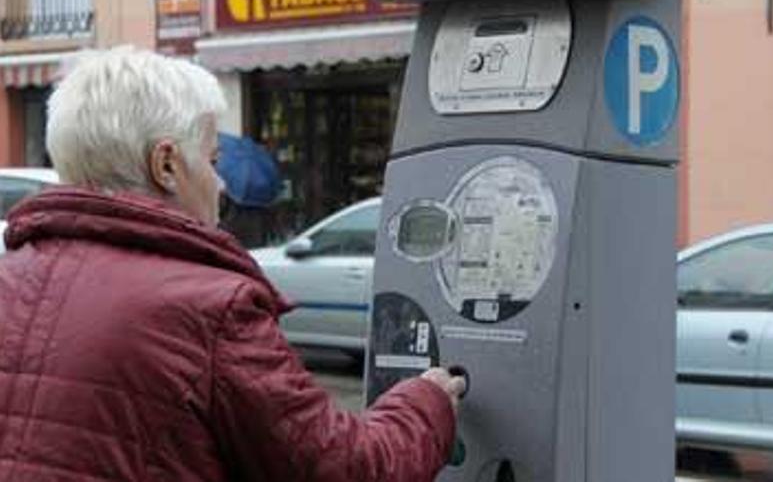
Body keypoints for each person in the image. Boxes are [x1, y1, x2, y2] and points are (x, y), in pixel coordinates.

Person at [0, 47, 465, 481]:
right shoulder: (209, 307)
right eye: (212, 159)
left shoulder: (10, 276)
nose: (220, 183)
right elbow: (343, 466)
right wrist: (426, 403)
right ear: (166, 165)